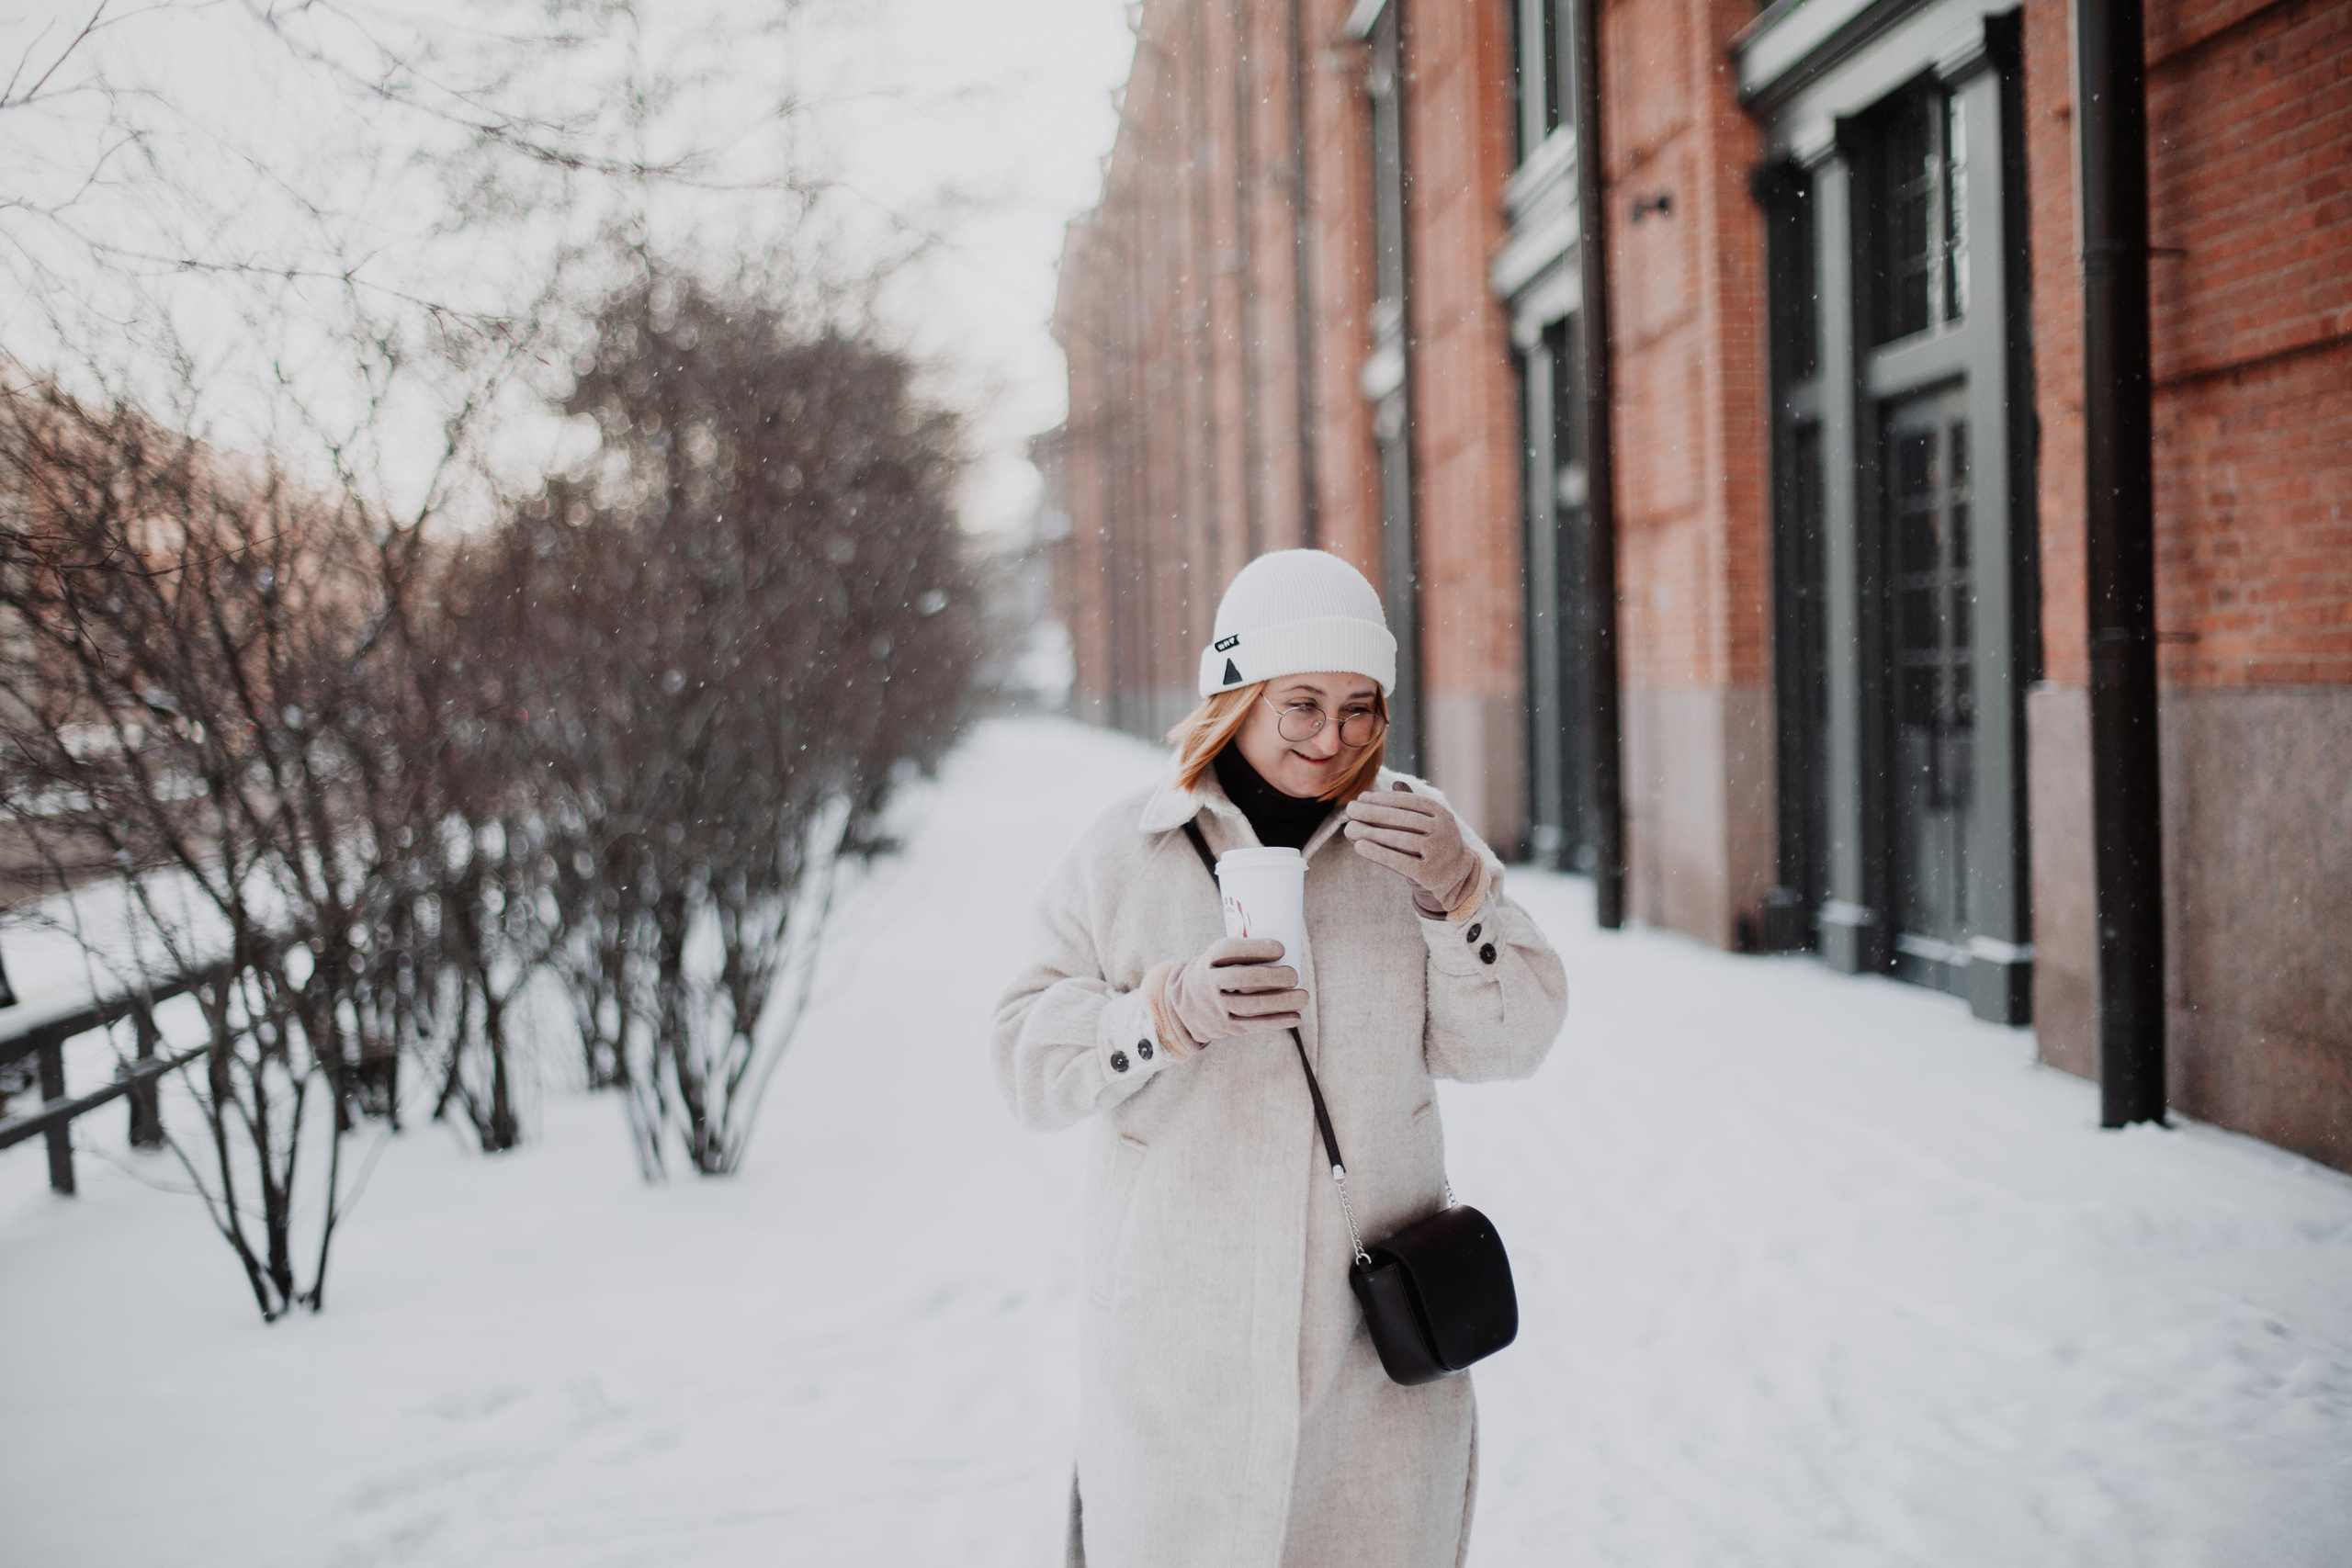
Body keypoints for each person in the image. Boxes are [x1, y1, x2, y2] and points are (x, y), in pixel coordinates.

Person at [992, 549, 1569, 1568]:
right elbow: (1024, 1065)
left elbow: (1509, 1042)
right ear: (1236, 693)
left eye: (1360, 708)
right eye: (1300, 704)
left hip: (1369, 1349)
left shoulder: (1417, 839)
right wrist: (1168, 1012)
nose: (1332, 739)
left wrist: (1460, 895)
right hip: (1177, 1345)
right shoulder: (1128, 850)